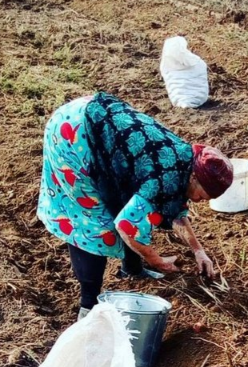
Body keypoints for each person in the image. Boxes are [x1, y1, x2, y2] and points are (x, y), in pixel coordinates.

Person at [37, 92, 233, 319]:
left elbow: (177, 212)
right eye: (204, 195)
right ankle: (87, 306)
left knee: (123, 201)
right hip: (73, 134)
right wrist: (155, 259)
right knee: (93, 222)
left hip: (92, 117)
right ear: (194, 178)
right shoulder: (165, 178)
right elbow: (127, 226)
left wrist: (199, 252)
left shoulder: (185, 159)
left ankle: (131, 268)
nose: (202, 201)